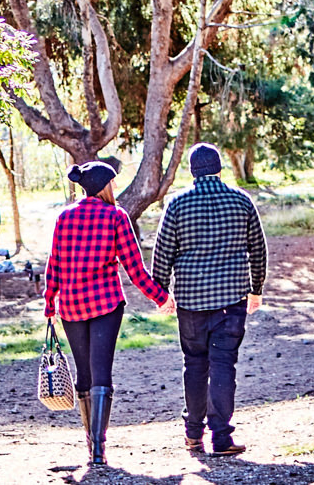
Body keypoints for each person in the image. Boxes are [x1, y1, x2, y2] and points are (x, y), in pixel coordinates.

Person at [44, 160, 170, 467]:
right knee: (102, 373)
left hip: (72, 306)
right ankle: (99, 450)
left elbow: (54, 265)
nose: (114, 188)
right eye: (112, 182)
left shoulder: (64, 217)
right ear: (103, 186)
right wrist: (161, 298)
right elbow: (135, 269)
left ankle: (90, 445)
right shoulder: (116, 217)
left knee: (84, 375)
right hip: (106, 305)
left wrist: (50, 304)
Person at [152, 143, 268, 459]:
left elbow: (163, 253)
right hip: (232, 299)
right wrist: (255, 289)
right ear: (218, 169)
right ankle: (221, 438)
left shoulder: (177, 204)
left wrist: (161, 293)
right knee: (223, 365)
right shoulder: (241, 200)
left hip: (191, 301)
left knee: (194, 364)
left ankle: (193, 436)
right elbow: (258, 249)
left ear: (193, 171)